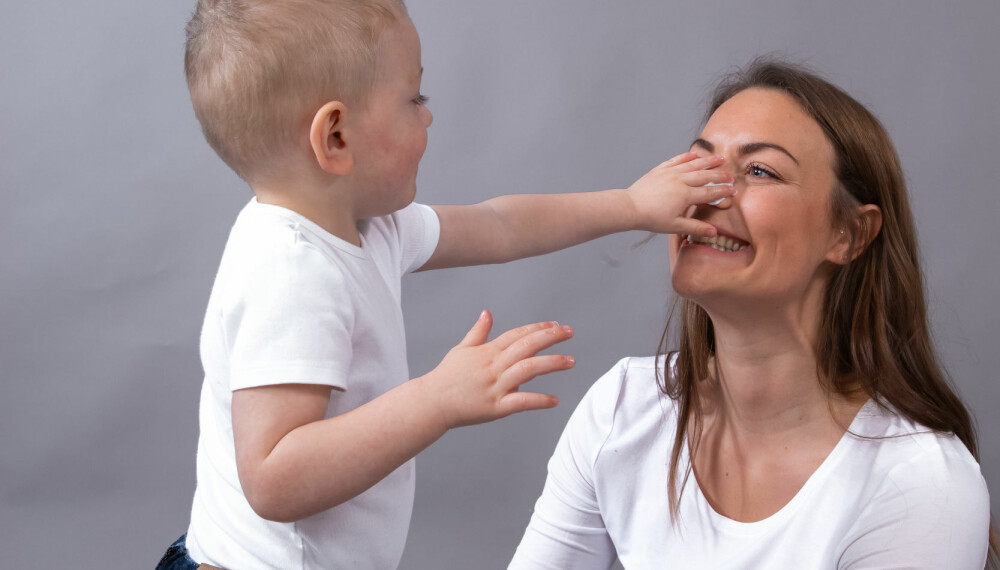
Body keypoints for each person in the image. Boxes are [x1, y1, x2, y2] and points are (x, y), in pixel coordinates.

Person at [157, 0, 739, 568]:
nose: (428, 114)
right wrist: (437, 399)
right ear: (335, 137)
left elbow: (500, 225)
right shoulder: (291, 270)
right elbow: (273, 479)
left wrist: (631, 204)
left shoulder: (364, 227)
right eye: (414, 98)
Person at [509, 58, 998, 569]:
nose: (705, 195)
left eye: (759, 170)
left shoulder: (917, 481)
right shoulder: (621, 409)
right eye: (699, 166)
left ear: (848, 234)